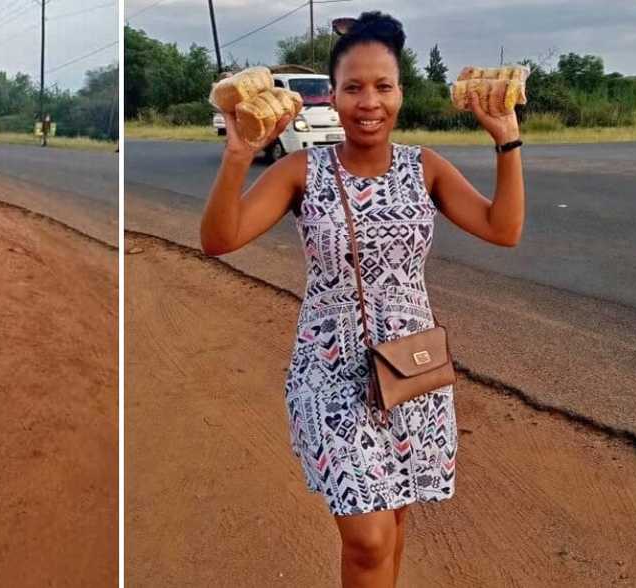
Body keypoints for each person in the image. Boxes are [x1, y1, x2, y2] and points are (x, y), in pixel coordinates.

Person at [200, 11, 524, 588]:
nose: (368, 101)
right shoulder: (304, 170)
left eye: (382, 86)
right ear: (334, 95)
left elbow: (503, 228)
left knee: (394, 523)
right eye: (353, 87)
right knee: (369, 539)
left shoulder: (425, 168)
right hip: (330, 374)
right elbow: (219, 240)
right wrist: (237, 155)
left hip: (409, 370)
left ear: (401, 93)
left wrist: (507, 140)